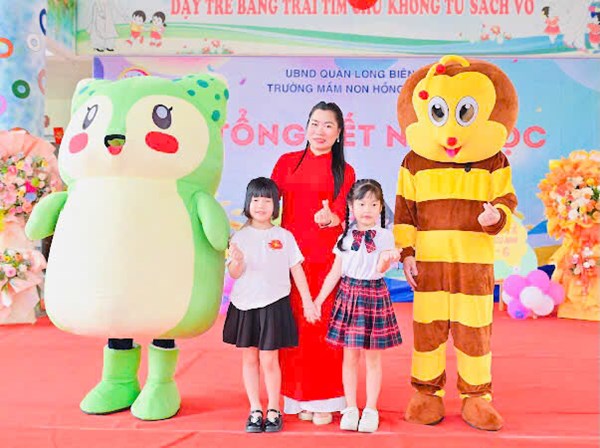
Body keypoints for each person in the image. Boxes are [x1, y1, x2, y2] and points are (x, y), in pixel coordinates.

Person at [271, 101, 356, 425]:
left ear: (339, 133)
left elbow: (345, 214)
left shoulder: (345, 171)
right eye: (315, 124)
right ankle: (298, 399)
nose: (320, 131)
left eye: (328, 126)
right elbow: (268, 205)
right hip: (290, 260)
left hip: (326, 261)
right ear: (306, 127)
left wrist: (331, 216)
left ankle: (327, 399)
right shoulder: (286, 162)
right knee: (294, 327)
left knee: (322, 326)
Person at [223, 177, 310, 433]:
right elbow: (234, 273)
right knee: (250, 358)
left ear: (276, 206)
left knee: (270, 359)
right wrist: (237, 260)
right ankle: (255, 409)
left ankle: (273, 408)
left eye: (267, 200)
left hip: (274, 304)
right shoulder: (240, 236)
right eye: (256, 199)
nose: (261, 205)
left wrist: (307, 301)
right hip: (245, 305)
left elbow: (297, 269)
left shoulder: (284, 236)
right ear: (248, 203)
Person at [314, 179, 402, 433]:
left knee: (373, 358)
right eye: (362, 204)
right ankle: (351, 408)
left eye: (374, 204)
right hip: (349, 295)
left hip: (374, 295)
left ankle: (371, 409)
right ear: (351, 206)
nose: (367, 209)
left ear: (380, 207)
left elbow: (380, 269)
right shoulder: (344, 237)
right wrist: (318, 300)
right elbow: (335, 272)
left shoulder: (385, 236)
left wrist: (387, 259)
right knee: (350, 357)